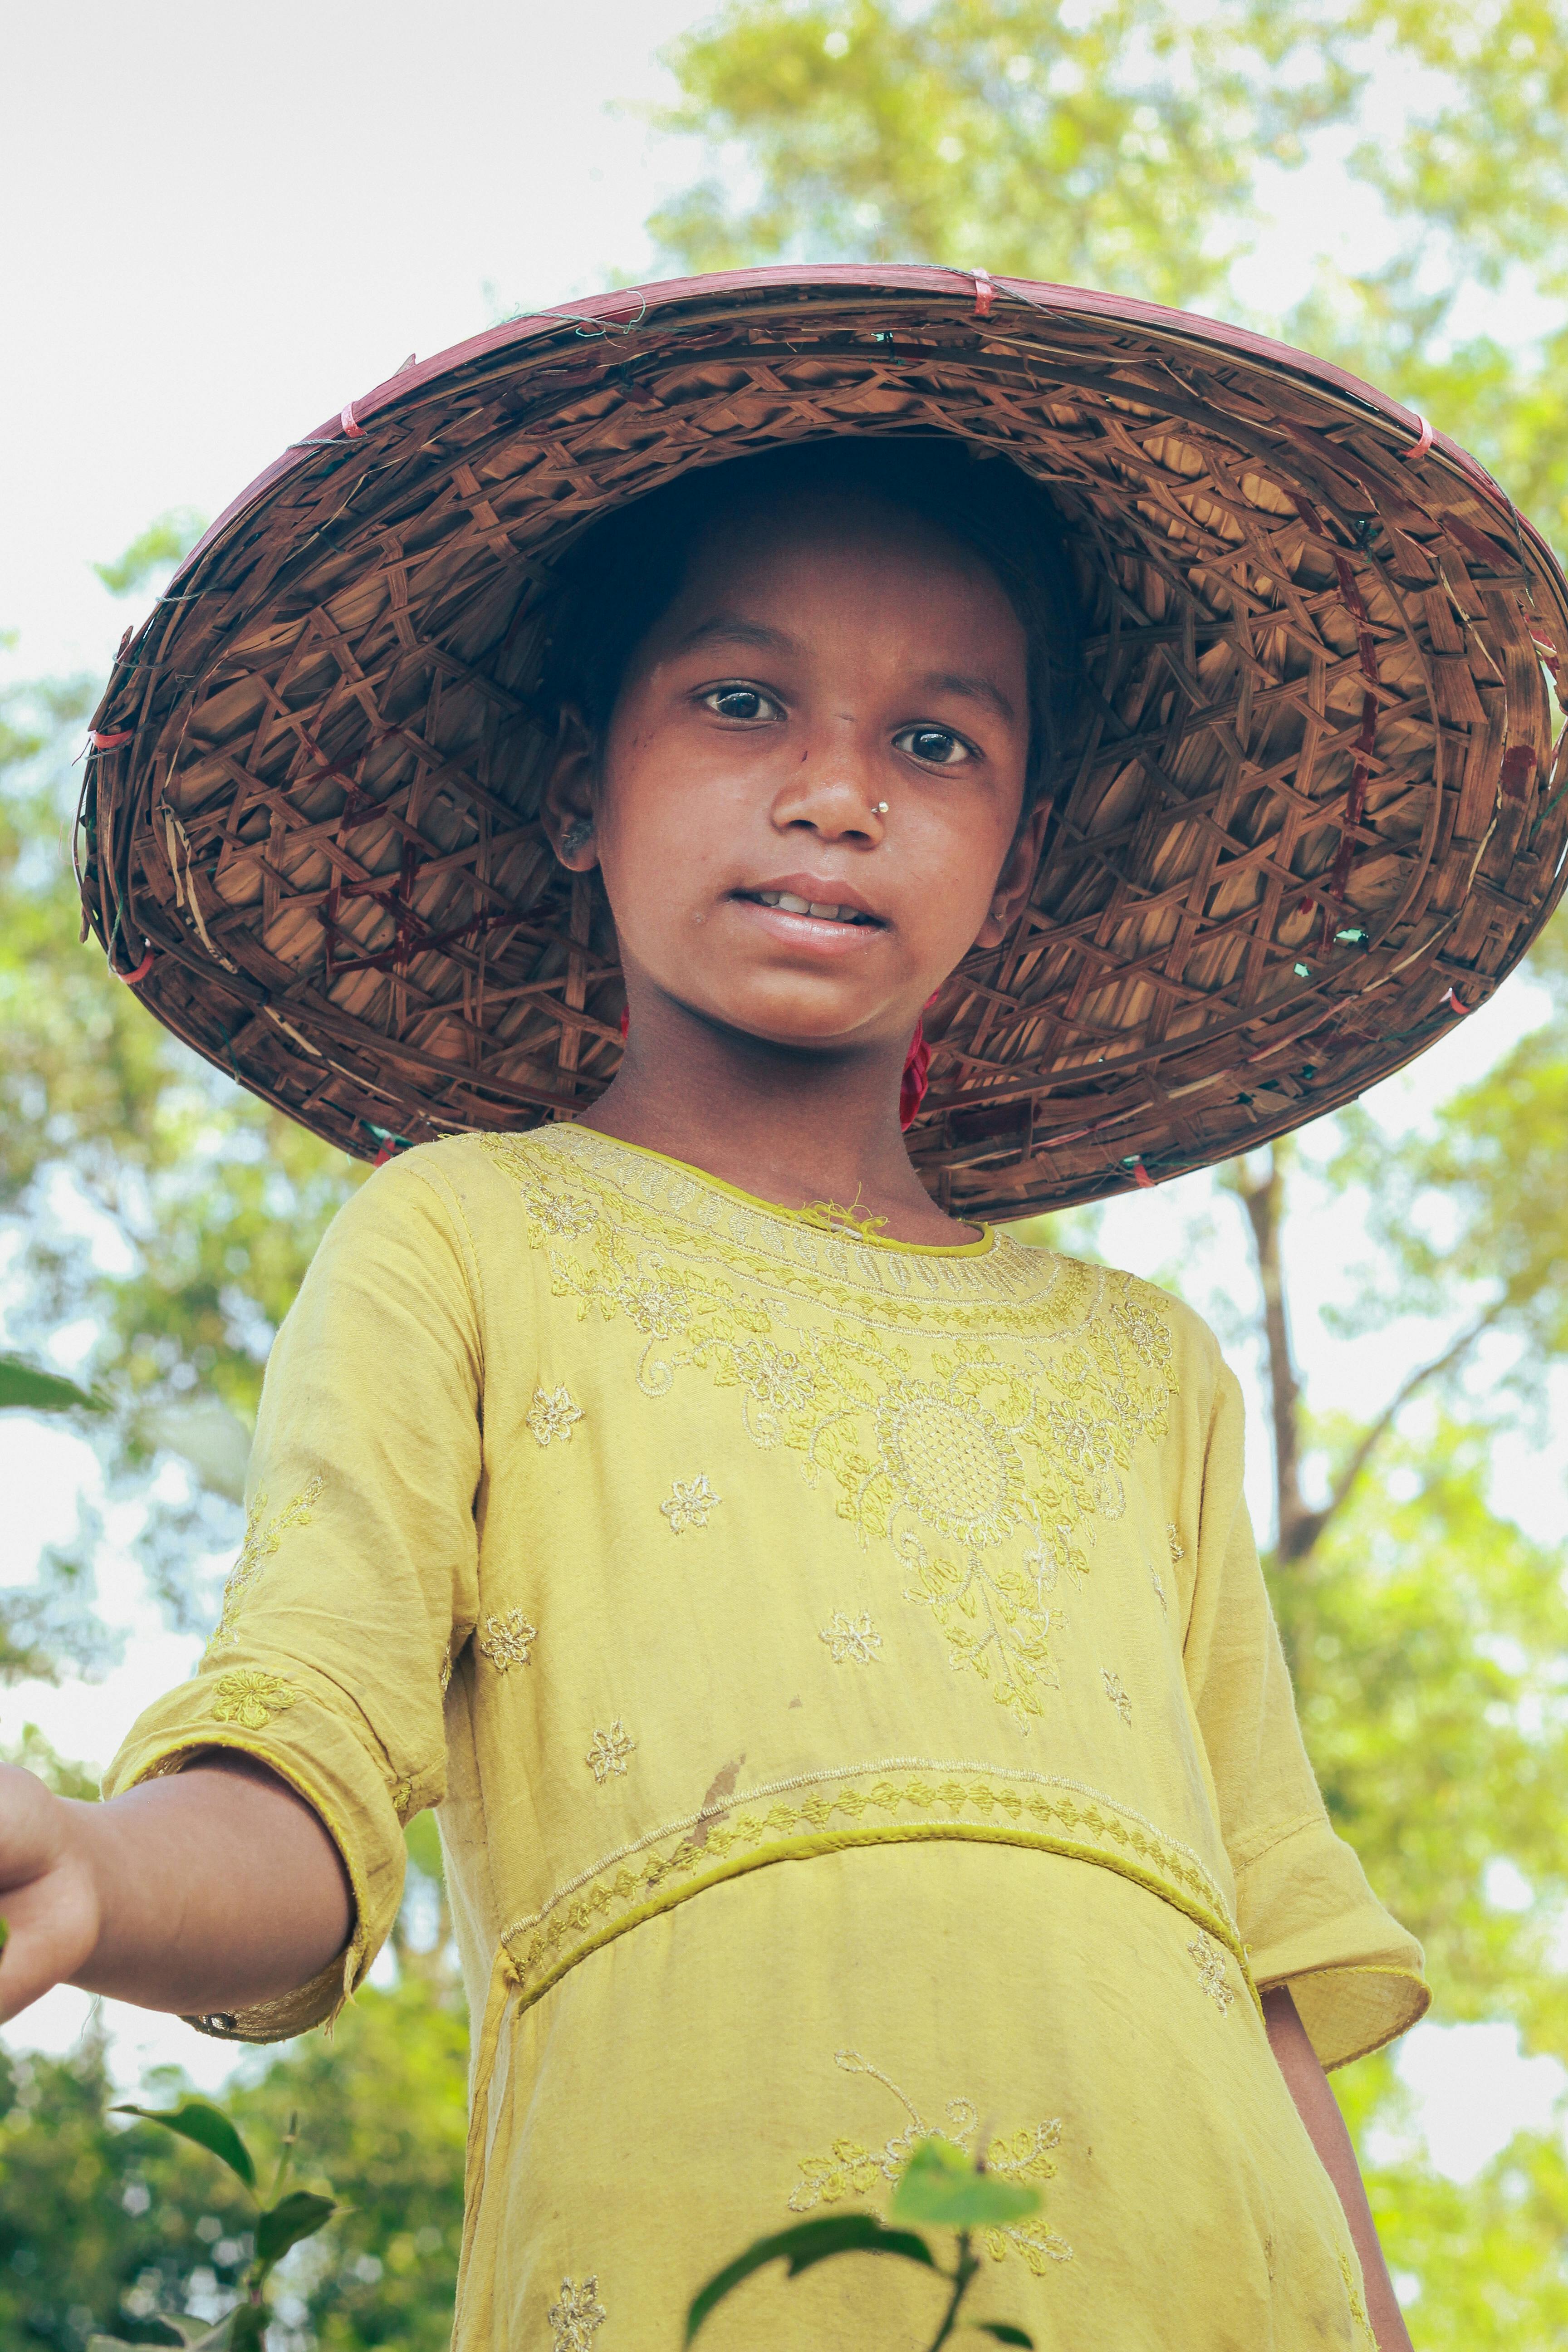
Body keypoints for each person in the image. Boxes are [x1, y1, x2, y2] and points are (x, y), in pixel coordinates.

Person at [10, 265, 1564, 2348]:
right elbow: (304, 1754)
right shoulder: (471, 1238)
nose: (837, 793)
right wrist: (95, 1874)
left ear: (1016, 849)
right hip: (694, 2281)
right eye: (741, 705)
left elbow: (1264, 1976)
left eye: (936, 740)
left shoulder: (1145, 1372)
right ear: (583, 783)